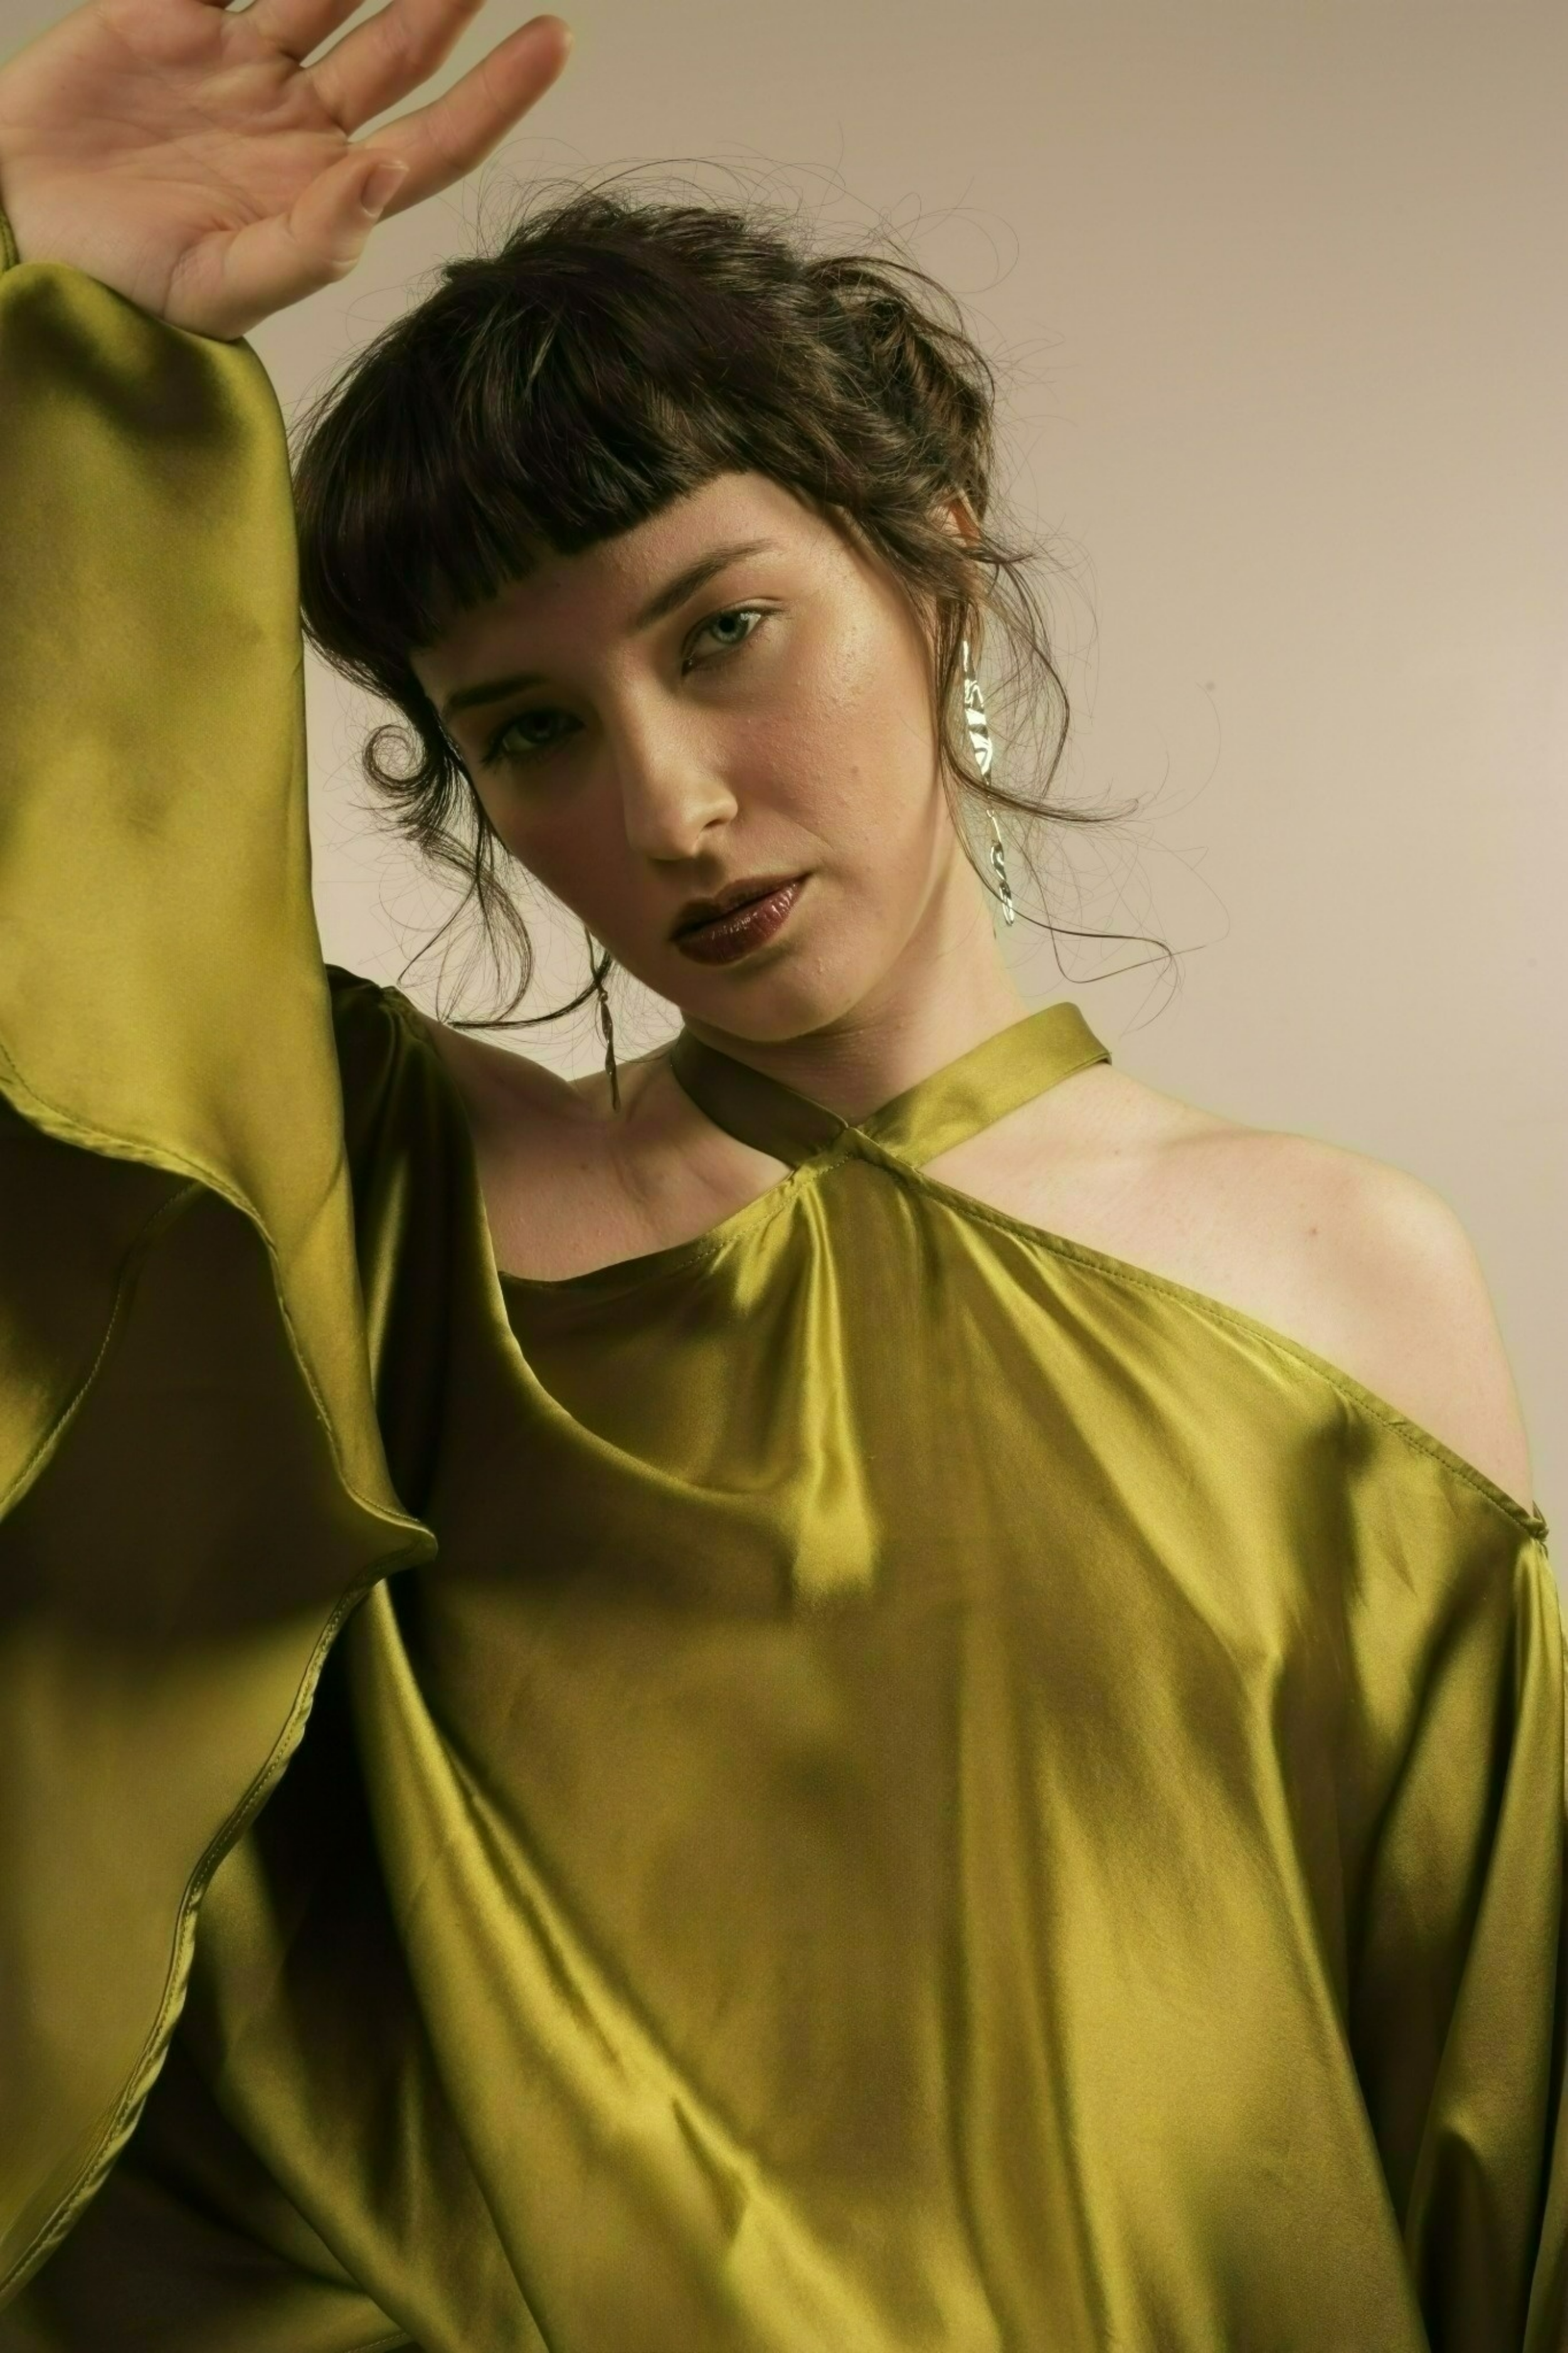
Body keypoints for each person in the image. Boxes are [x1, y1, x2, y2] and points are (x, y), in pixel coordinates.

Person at [0, 0, 1561, 2344]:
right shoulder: (379, 1221)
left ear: (929, 555)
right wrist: (39, 316)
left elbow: (1495, 2110)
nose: (670, 803)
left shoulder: (1334, 1270)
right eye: (528, 730)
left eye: (722, 633)